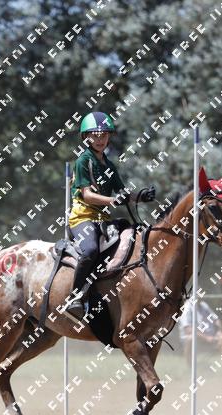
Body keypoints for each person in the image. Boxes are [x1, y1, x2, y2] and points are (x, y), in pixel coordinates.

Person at [65, 111, 154, 319]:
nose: (100, 139)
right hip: (82, 218)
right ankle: (74, 297)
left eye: (104, 135)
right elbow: (88, 196)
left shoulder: (109, 166)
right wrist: (114, 200)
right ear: (86, 137)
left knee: (131, 234)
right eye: (95, 135)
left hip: (103, 220)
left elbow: (123, 194)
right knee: (90, 250)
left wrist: (141, 196)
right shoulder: (83, 161)